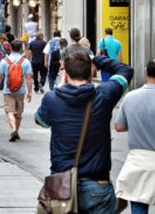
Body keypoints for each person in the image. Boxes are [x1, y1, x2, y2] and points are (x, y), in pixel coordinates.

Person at [35, 53, 133, 213]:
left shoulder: (51, 99)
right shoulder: (104, 95)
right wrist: (96, 59)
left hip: (62, 184)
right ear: (90, 73)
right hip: (97, 185)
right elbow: (126, 71)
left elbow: (41, 121)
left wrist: (60, 86)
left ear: (65, 73)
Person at [115, 59, 155, 213]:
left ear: (145, 71)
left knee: (138, 204)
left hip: (138, 161)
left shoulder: (130, 97)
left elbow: (119, 126)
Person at [0, 40, 33, 142]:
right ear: (21, 49)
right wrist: (30, 92)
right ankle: (17, 131)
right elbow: (29, 78)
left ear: (10, 48)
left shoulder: (5, 61)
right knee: (19, 113)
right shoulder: (25, 62)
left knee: (10, 111)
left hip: (8, 90)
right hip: (20, 91)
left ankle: (13, 129)